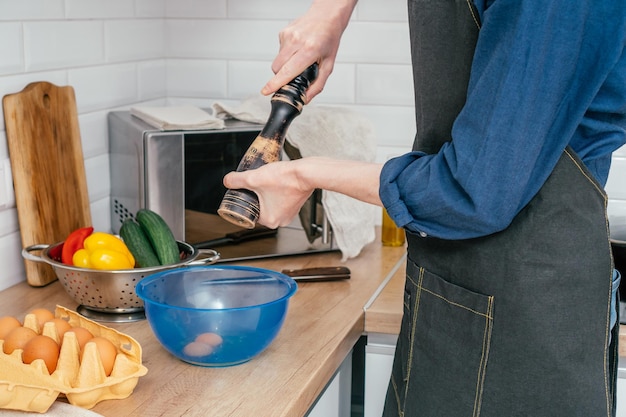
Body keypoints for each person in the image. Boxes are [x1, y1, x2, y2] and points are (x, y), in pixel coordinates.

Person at [223, 0, 626, 415]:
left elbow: (473, 190)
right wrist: (333, 10)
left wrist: (304, 175)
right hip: (445, 291)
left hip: (530, 317)